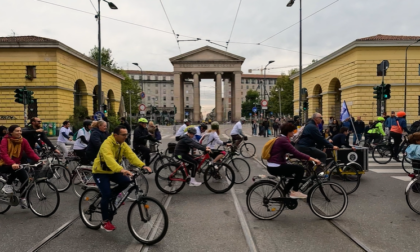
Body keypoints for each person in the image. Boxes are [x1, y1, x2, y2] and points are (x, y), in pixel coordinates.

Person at [92, 125, 151, 232]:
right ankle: (105, 221)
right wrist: (121, 169)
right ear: (115, 135)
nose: (126, 137)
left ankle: (113, 196)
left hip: (113, 171)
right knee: (106, 194)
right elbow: (109, 159)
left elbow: (131, 155)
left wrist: (142, 165)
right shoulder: (107, 144)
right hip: (100, 172)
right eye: (123, 135)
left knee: (126, 181)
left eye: (127, 134)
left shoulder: (122, 144)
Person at [267, 122, 321, 199]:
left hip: (273, 165)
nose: (293, 133)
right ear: (288, 132)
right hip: (276, 166)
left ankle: (284, 195)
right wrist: (313, 159)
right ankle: (295, 191)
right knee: (300, 169)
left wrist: (299, 156)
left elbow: (289, 152)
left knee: (292, 177)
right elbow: (295, 152)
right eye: (292, 131)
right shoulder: (283, 140)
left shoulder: (280, 138)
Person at [0, 125, 40, 208]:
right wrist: (12, 163)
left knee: (25, 180)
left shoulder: (23, 140)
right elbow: (4, 154)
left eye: (20, 131)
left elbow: (30, 152)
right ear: (11, 132)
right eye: (17, 131)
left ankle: (22, 198)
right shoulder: (5, 140)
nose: (19, 132)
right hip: (3, 164)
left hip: (16, 165)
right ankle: (8, 185)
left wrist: (38, 159)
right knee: (16, 168)